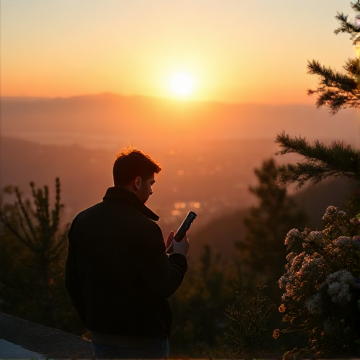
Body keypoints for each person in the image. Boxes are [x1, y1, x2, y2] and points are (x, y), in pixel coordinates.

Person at [65, 148, 189, 359]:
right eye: (151, 183)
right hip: (143, 341)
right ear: (137, 182)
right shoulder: (146, 229)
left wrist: (93, 323)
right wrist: (178, 256)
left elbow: (72, 281)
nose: (151, 191)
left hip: (101, 337)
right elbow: (163, 285)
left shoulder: (82, 221)